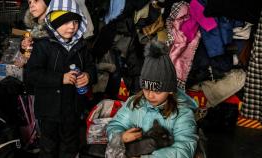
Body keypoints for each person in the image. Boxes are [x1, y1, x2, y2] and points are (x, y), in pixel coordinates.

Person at [26, 0, 97, 157]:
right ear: (54, 22)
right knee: (49, 148)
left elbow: (91, 67)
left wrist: (88, 76)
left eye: (75, 21)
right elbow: (32, 74)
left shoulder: (81, 46)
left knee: (70, 147)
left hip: (72, 110)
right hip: (49, 111)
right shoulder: (43, 45)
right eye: (65, 22)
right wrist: (60, 78)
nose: (72, 26)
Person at [106, 40, 198, 158]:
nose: (150, 95)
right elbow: (115, 125)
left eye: (157, 91)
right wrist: (120, 136)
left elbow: (184, 149)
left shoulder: (183, 113)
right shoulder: (134, 103)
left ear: (170, 90)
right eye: (146, 89)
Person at [14, 0, 50, 67]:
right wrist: (24, 47)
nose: (31, 5)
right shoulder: (33, 28)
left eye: (36, 0)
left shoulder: (56, 30)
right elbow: (27, 54)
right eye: (30, 2)